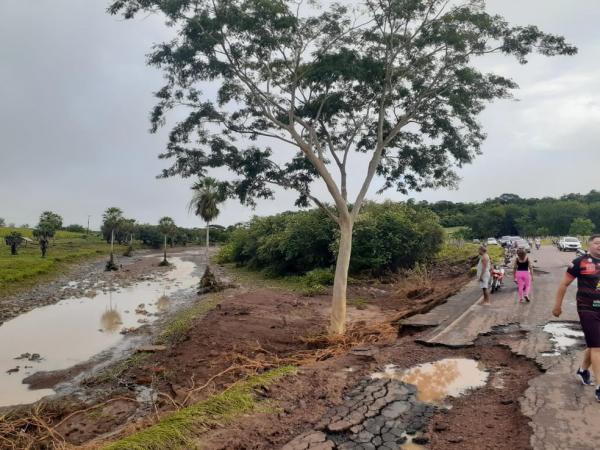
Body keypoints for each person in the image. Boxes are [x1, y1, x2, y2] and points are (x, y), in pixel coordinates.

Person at [553, 234, 600, 401]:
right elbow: (564, 284)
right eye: (596, 243)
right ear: (589, 245)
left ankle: (582, 370)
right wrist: (557, 306)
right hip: (587, 309)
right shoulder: (579, 262)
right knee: (597, 348)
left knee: (595, 344)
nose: (599, 246)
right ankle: (599, 387)